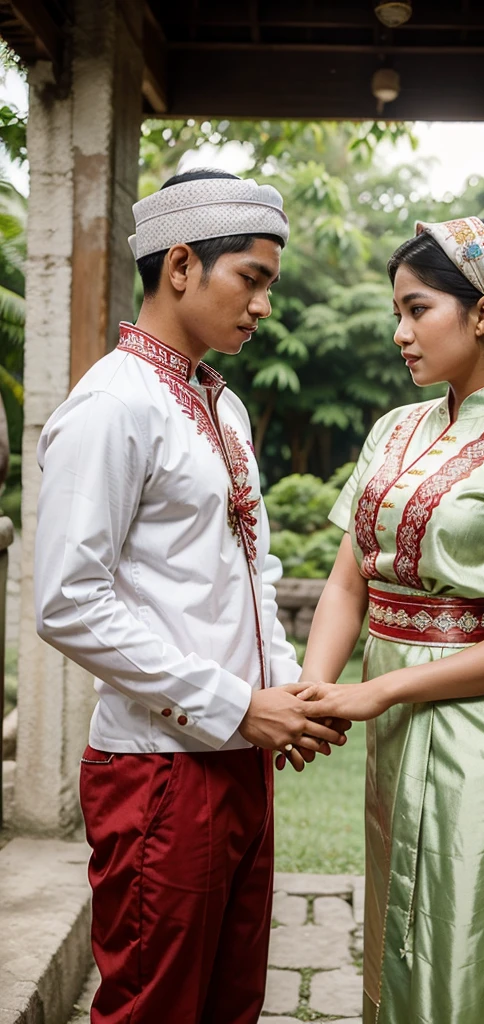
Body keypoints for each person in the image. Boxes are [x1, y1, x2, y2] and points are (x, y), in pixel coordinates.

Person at [33, 168, 347, 1024]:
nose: (263, 305)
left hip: (237, 756)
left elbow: (255, 567)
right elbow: (66, 600)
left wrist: (280, 692)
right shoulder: (110, 406)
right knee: (157, 1007)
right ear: (180, 266)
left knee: (231, 1000)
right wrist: (235, 704)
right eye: (252, 278)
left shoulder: (224, 407)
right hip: (159, 770)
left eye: (268, 286)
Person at [295, 216, 484, 1023]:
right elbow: (348, 583)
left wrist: (385, 689)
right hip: (393, 738)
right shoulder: (392, 431)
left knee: (473, 956)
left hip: (483, 742)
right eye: (395, 312)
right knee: (402, 957)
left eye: (417, 308)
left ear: (481, 314)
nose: (400, 332)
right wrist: (313, 690)